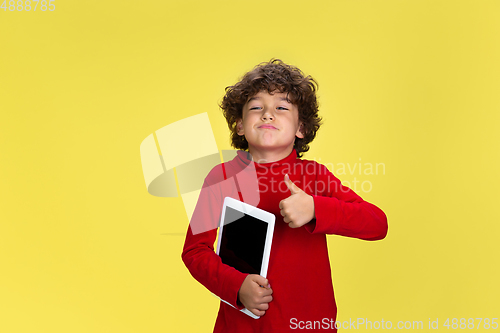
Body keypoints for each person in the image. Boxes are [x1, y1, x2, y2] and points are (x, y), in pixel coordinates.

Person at [181, 59, 388, 332]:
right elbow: (195, 252)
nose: (268, 114)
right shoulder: (221, 178)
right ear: (239, 125)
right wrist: (236, 286)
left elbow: (377, 223)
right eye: (256, 107)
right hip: (241, 326)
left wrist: (316, 208)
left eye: (281, 107)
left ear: (301, 128)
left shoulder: (315, 176)